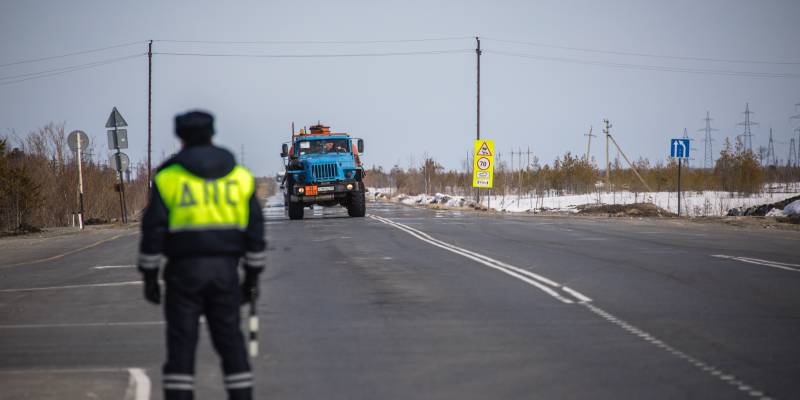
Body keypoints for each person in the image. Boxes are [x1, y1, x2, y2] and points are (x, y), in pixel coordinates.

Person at [137, 110, 266, 400]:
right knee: (232, 344)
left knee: (181, 347)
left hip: (183, 275)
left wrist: (149, 276)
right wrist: (253, 277)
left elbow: (153, 230)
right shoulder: (239, 176)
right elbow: (255, 231)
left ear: (180, 137)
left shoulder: (169, 177)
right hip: (225, 273)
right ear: (212, 133)